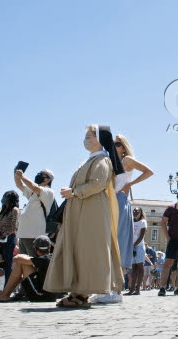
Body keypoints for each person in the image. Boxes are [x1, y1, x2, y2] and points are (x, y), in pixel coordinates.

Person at [44, 124, 124, 308]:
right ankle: (77, 291)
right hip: (82, 210)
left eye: (90, 136)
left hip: (92, 211)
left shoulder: (102, 161)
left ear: (100, 140)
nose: (86, 140)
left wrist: (74, 192)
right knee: (79, 248)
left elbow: (97, 183)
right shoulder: (91, 160)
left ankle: (82, 293)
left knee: (88, 249)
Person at [110, 134, 154, 302]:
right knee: (110, 244)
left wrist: (130, 184)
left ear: (123, 147)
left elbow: (148, 171)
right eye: (113, 143)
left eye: (117, 144)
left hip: (120, 201)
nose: (114, 146)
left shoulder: (127, 160)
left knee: (119, 243)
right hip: (110, 201)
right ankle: (110, 287)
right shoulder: (111, 162)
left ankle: (117, 290)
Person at [0, 235, 58, 302]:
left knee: (22, 263)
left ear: (35, 249)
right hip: (51, 295)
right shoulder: (51, 257)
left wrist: (25, 256)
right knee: (24, 263)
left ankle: (4, 294)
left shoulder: (43, 260)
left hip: (40, 296)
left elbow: (17, 258)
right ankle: (4, 293)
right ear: (49, 248)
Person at [14, 168, 55, 257]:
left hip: (34, 234)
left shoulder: (48, 191)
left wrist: (22, 176)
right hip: (24, 233)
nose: (39, 175)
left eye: (42, 174)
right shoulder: (33, 193)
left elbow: (34, 187)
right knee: (23, 262)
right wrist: (16, 173)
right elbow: (19, 184)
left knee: (33, 261)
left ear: (48, 179)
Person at [158, 187, 178, 296]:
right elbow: (162, 223)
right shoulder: (171, 208)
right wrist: (168, 238)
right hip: (173, 239)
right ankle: (162, 287)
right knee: (168, 263)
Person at [0, 190, 19, 284]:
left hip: (8, 239)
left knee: (7, 263)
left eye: (5, 197)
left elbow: (13, 226)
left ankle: (7, 286)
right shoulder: (3, 212)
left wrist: (3, 235)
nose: (3, 199)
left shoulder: (14, 210)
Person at [126, 207, 147, 295]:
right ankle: (132, 289)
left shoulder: (143, 222)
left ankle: (138, 289)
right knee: (134, 269)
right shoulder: (131, 221)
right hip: (131, 247)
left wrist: (134, 245)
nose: (135, 212)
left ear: (141, 212)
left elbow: (141, 236)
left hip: (139, 246)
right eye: (134, 211)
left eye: (137, 211)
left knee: (140, 268)